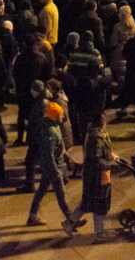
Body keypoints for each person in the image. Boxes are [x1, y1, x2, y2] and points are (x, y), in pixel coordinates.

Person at [25, 102, 83, 235]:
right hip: (52, 167)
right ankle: (71, 219)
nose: (62, 117)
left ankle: (32, 216)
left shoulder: (54, 126)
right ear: (54, 116)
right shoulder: (49, 132)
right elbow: (48, 154)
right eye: (60, 115)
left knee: (41, 191)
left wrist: (67, 157)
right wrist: (55, 171)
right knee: (61, 194)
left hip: (51, 167)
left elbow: (60, 146)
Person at [68, 110, 118, 242]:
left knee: (87, 202)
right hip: (97, 176)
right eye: (103, 120)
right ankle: (99, 233)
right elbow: (96, 159)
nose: (105, 122)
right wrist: (109, 165)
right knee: (99, 204)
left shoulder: (97, 133)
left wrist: (112, 156)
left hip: (95, 175)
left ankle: (69, 223)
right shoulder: (96, 137)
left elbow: (102, 152)